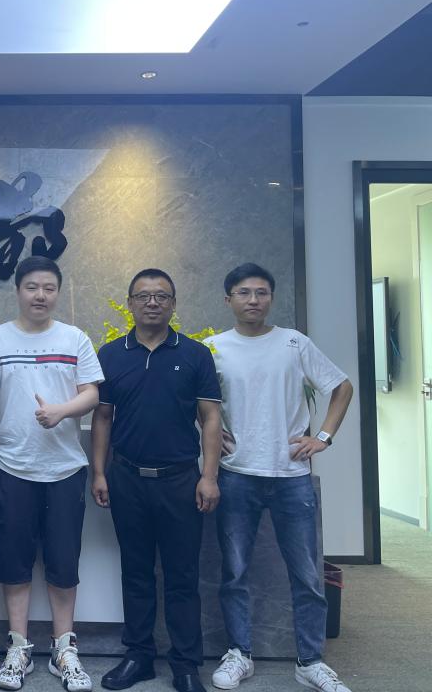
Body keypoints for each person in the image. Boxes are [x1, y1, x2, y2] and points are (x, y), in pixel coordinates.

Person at [205, 263, 354, 692]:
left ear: (271, 297)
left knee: (306, 575)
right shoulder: (213, 348)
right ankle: (240, 654)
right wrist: (207, 430)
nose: (254, 300)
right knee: (234, 572)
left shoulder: (294, 343)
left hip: (291, 475)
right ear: (228, 299)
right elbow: (197, 403)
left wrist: (322, 436)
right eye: (244, 292)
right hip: (236, 474)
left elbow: (341, 386)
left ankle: (310, 661)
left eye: (262, 292)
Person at [91, 268, 222, 692]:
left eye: (161, 296)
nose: (152, 302)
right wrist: (99, 472)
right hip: (127, 478)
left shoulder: (196, 354)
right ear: (130, 303)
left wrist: (209, 476)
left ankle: (185, 664)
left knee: (182, 575)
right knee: (135, 572)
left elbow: (210, 418)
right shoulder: (111, 354)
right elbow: (103, 418)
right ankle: (139, 656)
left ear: (173, 304)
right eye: (143, 296)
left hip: (181, 481)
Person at [0, 256, 103, 692]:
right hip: (11, 466)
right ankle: (18, 647)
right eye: (32, 287)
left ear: (58, 292)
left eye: (49, 288)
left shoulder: (74, 338)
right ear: (17, 290)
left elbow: (92, 393)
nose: (40, 295)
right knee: (13, 562)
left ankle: (64, 649)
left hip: (64, 467)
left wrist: (61, 411)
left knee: (63, 563)